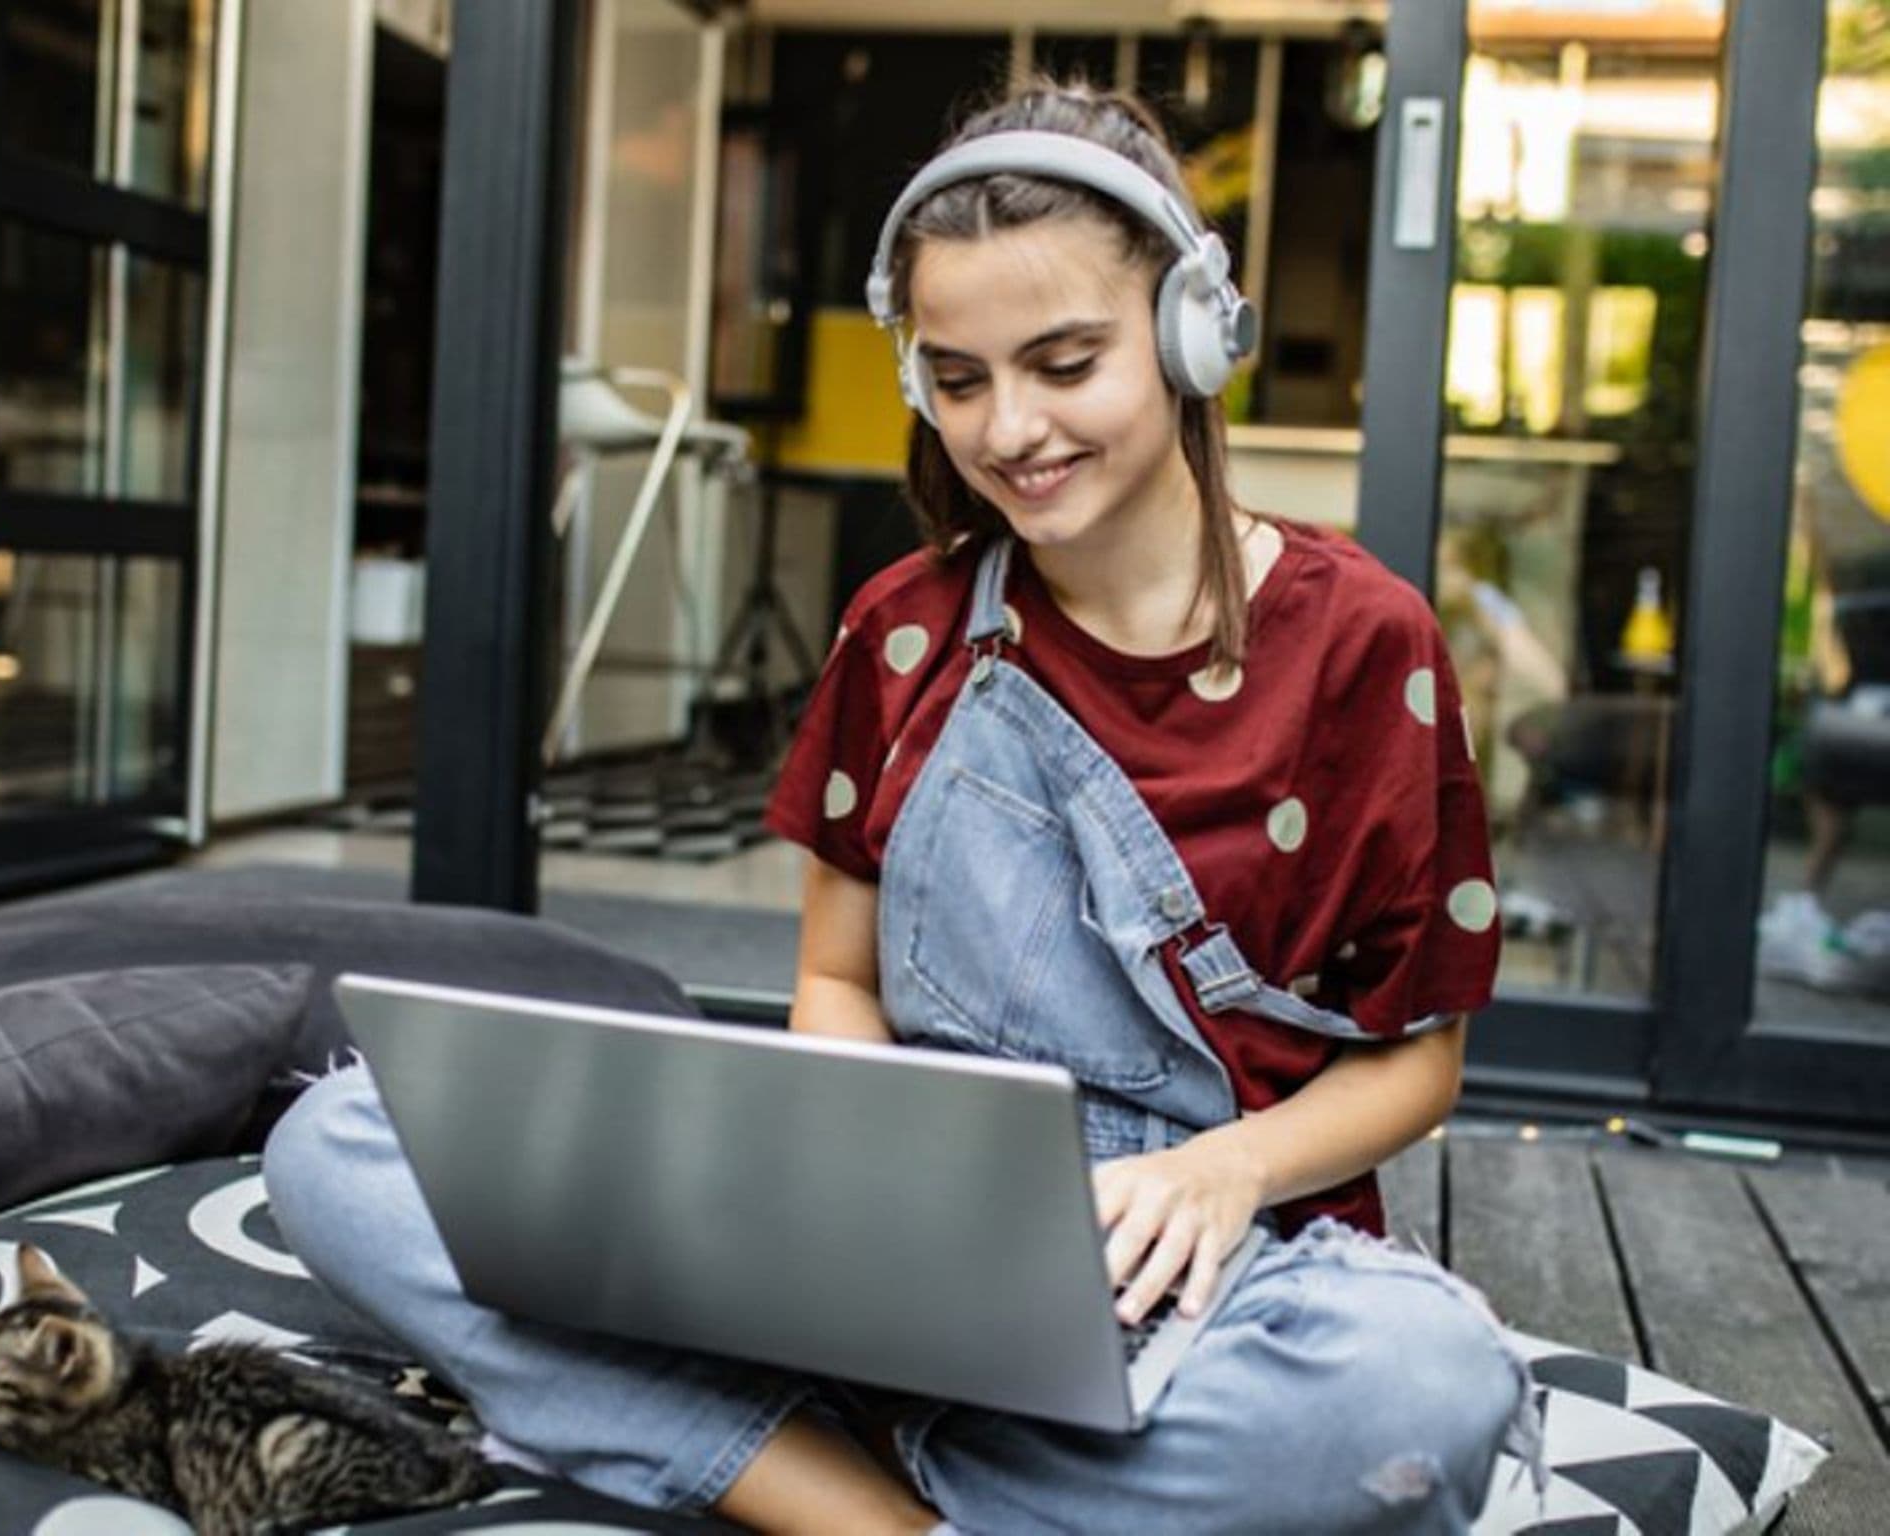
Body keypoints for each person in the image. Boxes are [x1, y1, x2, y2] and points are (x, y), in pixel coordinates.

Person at [263, 83, 1539, 1535]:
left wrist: (1226, 1169)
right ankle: (880, 1510)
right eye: (960, 376)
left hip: (1201, 1280)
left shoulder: (1366, 644)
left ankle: (764, 1448)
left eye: (1066, 362)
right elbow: (835, 977)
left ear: (1193, 334)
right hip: (897, 1224)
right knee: (340, 1149)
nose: (1012, 429)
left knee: (1415, 1391)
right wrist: (852, 1203)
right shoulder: (905, 628)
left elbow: (1419, 1065)